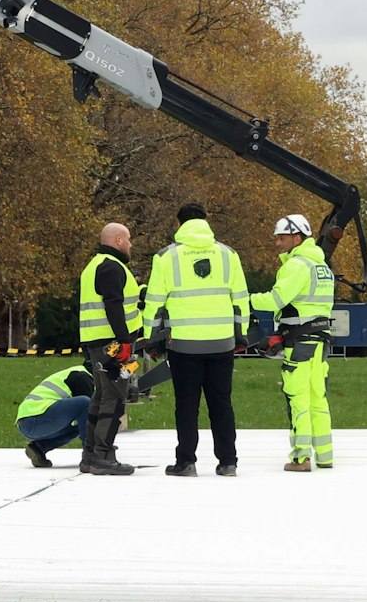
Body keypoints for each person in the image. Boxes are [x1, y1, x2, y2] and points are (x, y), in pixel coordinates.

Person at [143, 203, 248, 477]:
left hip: (184, 344)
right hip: (222, 342)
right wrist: (241, 334)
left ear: (179, 224)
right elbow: (240, 299)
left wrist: (151, 338)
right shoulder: (229, 255)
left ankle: (186, 462)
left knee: (187, 404)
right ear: (206, 220)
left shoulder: (166, 257)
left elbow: (154, 302)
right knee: (221, 402)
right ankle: (228, 462)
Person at [249, 213, 338, 471]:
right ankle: (324, 455)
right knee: (317, 398)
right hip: (319, 341)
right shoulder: (321, 266)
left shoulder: (298, 264)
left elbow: (275, 300)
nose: (277, 243)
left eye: (282, 237)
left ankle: (301, 457)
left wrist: (243, 299)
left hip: (299, 342)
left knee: (297, 397)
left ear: (297, 237)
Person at [75, 222, 140, 476]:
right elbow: (114, 305)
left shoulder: (93, 266)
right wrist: (124, 340)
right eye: (129, 239)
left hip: (96, 342)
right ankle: (103, 455)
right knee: (114, 398)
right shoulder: (112, 267)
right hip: (112, 344)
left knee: (100, 397)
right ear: (119, 240)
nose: (131, 244)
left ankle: (90, 454)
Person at [16, 361, 93, 467]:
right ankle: (92, 455)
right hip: (36, 417)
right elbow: (90, 414)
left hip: (28, 422)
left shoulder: (77, 373)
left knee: (78, 428)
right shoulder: (82, 377)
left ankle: (38, 448)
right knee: (86, 403)